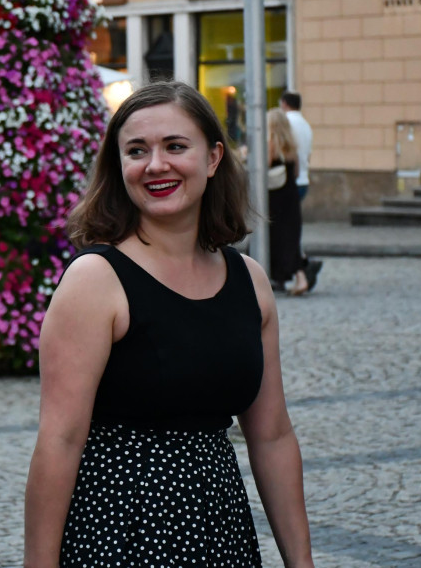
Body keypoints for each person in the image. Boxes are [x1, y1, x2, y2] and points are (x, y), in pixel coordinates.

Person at [24, 81, 313, 567]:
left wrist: (301, 563)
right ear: (120, 166)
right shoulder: (96, 278)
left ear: (213, 157)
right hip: (120, 537)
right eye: (137, 151)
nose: (155, 165)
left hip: (222, 536)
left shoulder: (250, 280)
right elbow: (59, 440)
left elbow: (272, 436)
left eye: (175, 146)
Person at [280, 91, 323, 290]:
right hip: (303, 180)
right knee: (289, 228)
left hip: (288, 181)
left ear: (284, 103)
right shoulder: (305, 124)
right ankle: (301, 265)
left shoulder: (286, 122)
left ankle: (302, 266)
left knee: (285, 230)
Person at [268, 108, 309, 296]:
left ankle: (277, 276)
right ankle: (299, 278)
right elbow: (297, 172)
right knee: (290, 238)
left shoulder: (270, 144)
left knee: (274, 236)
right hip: (291, 195)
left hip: (274, 197)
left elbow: (264, 166)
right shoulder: (292, 145)